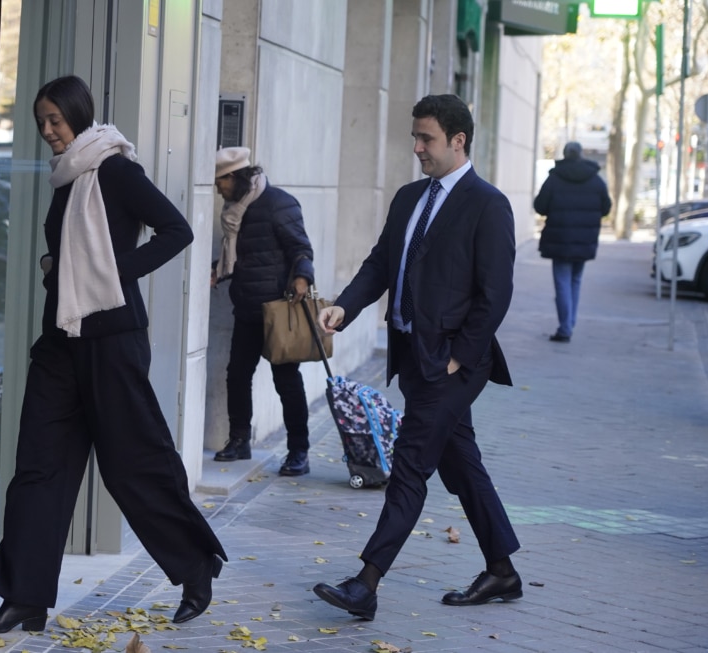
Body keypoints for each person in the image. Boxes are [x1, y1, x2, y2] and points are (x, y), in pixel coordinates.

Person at [0, 75, 226, 634]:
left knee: (133, 463)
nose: (49, 132)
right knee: (37, 468)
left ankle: (196, 564)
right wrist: (57, 268)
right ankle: (24, 599)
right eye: (41, 123)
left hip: (111, 343)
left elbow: (177, 231)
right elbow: (71, 253)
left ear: (79, 116)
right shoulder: (67, 179)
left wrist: (108, 275)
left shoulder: (113, 169)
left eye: (56, 120)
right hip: (61, 342)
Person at [311, 94, 521, 620]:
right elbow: (381, 263)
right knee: (461, 463)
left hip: (451, 365)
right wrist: (344, 307)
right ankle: (502, 570)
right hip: (412, 355)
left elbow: (495, 294)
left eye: (426, 138)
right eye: (416, 137)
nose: (417, 148)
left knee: (409, 466)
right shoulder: (409, 198)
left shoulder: (488, 204)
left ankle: (366, 583)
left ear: (458, 140)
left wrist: (459, 359)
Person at [210, 147, 315, 476]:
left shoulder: (278, 203)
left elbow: (301, 247)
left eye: (219, 182)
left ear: (234, 177)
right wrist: (217, 270)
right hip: (247, 307)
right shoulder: (235, 209)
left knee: (286, 381)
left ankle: (299, 450)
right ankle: (239, 439)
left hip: (278, 308)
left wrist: (302, 277)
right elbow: (239, 254)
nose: (217, 189)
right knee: (237, 375)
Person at [534, 141, 612, 343]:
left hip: (560, 240)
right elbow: (606, 207)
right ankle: (569, 323)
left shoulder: (555, 178)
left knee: (562, 283)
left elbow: (540, 206)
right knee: (575, 282)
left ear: (565, 154)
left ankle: (565, 328)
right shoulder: (595, 180)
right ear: (581, 155)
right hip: (584, 240)